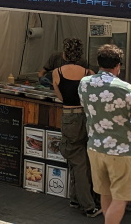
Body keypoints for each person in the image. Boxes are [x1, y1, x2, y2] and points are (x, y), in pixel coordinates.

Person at [79, 44, 131, 224]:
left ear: (99, 63)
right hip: (120, 150)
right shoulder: (126, 89)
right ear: (118, 65)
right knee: (121, 197)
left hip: (95, 146)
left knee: (105, 192)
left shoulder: (85, 83)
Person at [51, 38, 100, 217]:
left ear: (64, 54)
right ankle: (83, 201)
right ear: (80, 55)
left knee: (76, 160)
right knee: (82, 159)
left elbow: (61, 97)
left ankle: (84, 203)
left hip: (69, 117)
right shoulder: (89, 73)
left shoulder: (56, 73)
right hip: (86, 117)